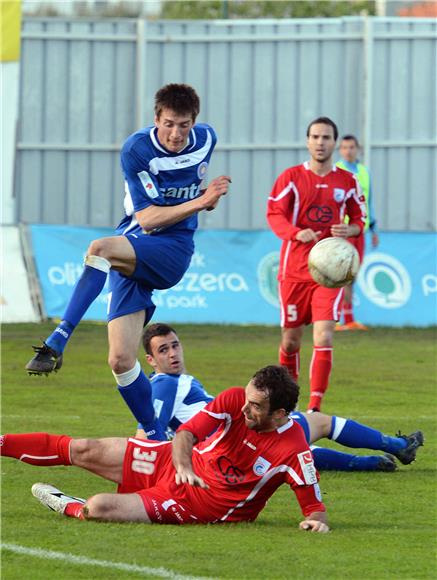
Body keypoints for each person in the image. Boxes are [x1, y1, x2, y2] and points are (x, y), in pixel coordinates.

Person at [25, 83, 231, 440]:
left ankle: (58, 338)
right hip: (135, 242)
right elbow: (148, 218)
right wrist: (203, 200)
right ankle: (155, 438)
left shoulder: (207, 139)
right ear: (156, 119)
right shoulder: (136, 149)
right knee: (120, 360)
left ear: (195, 122)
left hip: (172, 249)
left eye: (184, 125)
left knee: (100, 248)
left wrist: (204, 200)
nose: (176, 133)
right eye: (169, 123)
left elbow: (185, 199)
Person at [1, 366, 330, 533]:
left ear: (280, 414)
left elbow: (314, 509)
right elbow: (187, 433)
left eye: (256, 407)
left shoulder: (294, 452)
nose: (245, 409)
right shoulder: (234, 400)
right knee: (85, 448)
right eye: (247, 400)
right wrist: (184, 466)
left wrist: (315, 523)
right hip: (172, 463)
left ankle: (69, 507)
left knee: (97, 507)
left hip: (198, 506)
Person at [135, 323, 424, 472]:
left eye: (175, 345)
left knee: (299, 442)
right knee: (314, 428)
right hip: (236, 437)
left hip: (233, 439)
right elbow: (147, 433)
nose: (172, 354)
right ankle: (396, 447)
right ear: (150, 359)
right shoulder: (163, 384)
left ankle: (377, 459)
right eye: (163, 350)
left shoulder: (168, 383)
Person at [266, 117, 367, 412]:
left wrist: (351, 230)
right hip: (294, 270)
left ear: (334, 142)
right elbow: (274, 214)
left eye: (326, 137)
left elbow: (360, 218)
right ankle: (289, 405)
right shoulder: (291, 177)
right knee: (291, 341)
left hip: (329, 273)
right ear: (307, 141)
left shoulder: (347, 181)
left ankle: (314, 408)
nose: (320, 142)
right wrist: (295, 233)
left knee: (324, 334)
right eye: (315, 137)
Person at [336, 134, 379, 331]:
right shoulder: (336, 170)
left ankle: (349, 318)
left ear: (358, 149)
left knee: (352, 274)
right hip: (341, 230)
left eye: (351, 147)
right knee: (336, 272)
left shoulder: (364, 171)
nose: (348, 151)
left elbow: (368, 202)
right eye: (344, 147)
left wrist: (373, 228)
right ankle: (335, 318)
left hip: (359, 230)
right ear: (340, 150)